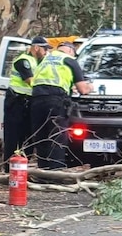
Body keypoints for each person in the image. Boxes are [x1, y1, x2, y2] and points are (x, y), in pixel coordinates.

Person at [30, 41, 94, 170]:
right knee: (57, 136)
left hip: (36, 100)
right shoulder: (69, 60)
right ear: (70, 51)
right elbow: (83, 89)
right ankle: (56, 172)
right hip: (56, 101)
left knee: (42, 136)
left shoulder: (45, 59)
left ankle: (43, 171)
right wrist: (90, 87)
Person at [3, 36, 51, 169]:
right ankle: (8, 168)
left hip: (28, 102)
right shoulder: (23, 61)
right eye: (44, 49)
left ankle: (23, 166)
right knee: (13, 137)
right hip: (16, 102)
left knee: (29, 135)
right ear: (36, 48)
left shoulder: (37, 62)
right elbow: (30, 81)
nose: (46, 52)